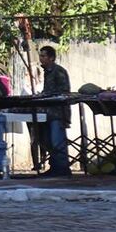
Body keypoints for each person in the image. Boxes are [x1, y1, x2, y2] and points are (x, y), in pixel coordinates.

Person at [38, 45, 72, 177]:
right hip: (48, 112)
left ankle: (62, 168)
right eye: (40, 56)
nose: (41, 59)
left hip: (58, 112)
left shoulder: (58, 71)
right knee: (48, 141)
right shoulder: (48, 71)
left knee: (57, 141)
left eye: (44, 56)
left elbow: (64, 92)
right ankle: (55, 167)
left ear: (51, 58)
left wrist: (48, 95)